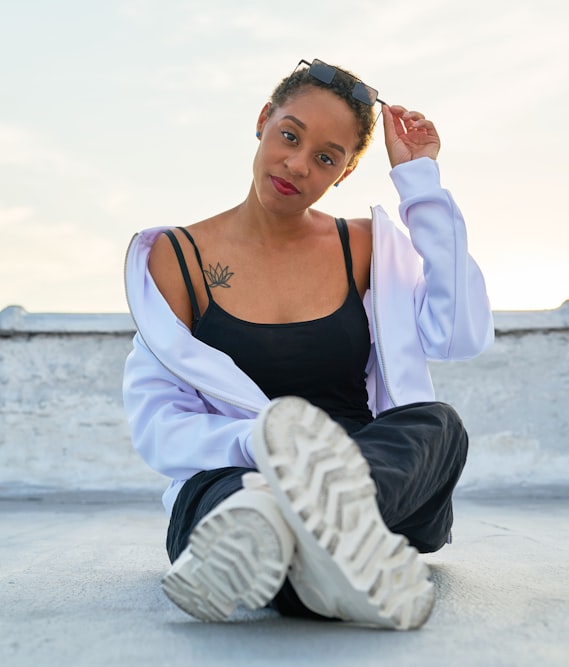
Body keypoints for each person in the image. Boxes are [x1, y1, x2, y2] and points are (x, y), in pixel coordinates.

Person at [122, 58, 493, 630]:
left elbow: (457, 333)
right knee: (240, 516)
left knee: (437, 425)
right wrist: (272, 447)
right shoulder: (176, 258)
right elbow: (159, 423)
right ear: (264, 119)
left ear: (343, 173)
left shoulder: (366, 246)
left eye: (325, 158)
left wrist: (420, 181)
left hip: (380, 477)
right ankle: (337, 561)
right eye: (289, 136)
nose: (297, 165)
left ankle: (302, 532)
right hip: (235, 477)